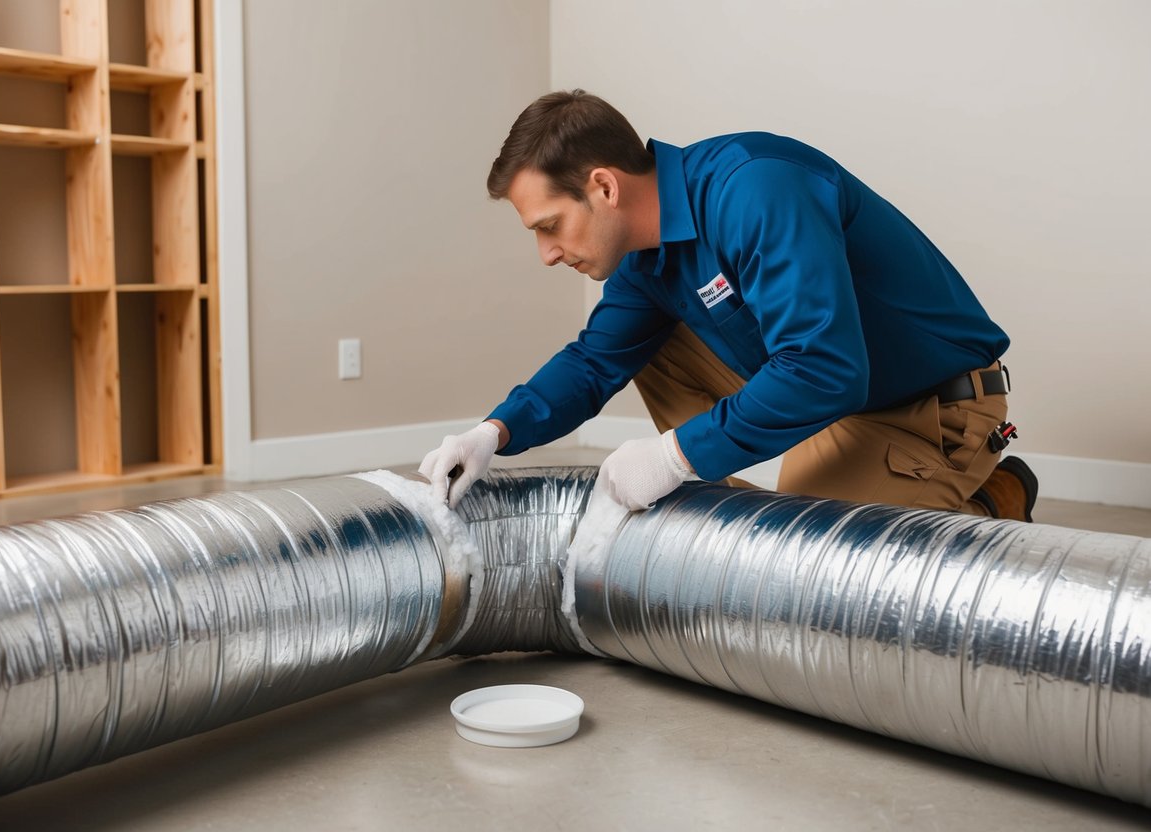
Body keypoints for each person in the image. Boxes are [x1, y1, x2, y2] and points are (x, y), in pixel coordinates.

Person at [420, 90, 1038, 521]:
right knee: (645, 348)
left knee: (822, 568)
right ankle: (740, 518)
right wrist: (493, 432)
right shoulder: (645, 258)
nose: (547, 254)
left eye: (550, 225)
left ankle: (992, 498)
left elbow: (825, 368)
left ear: (604, 187)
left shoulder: (756, 190)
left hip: (931, 411)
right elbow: (593, 362)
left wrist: (673, 456)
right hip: (840, 403)